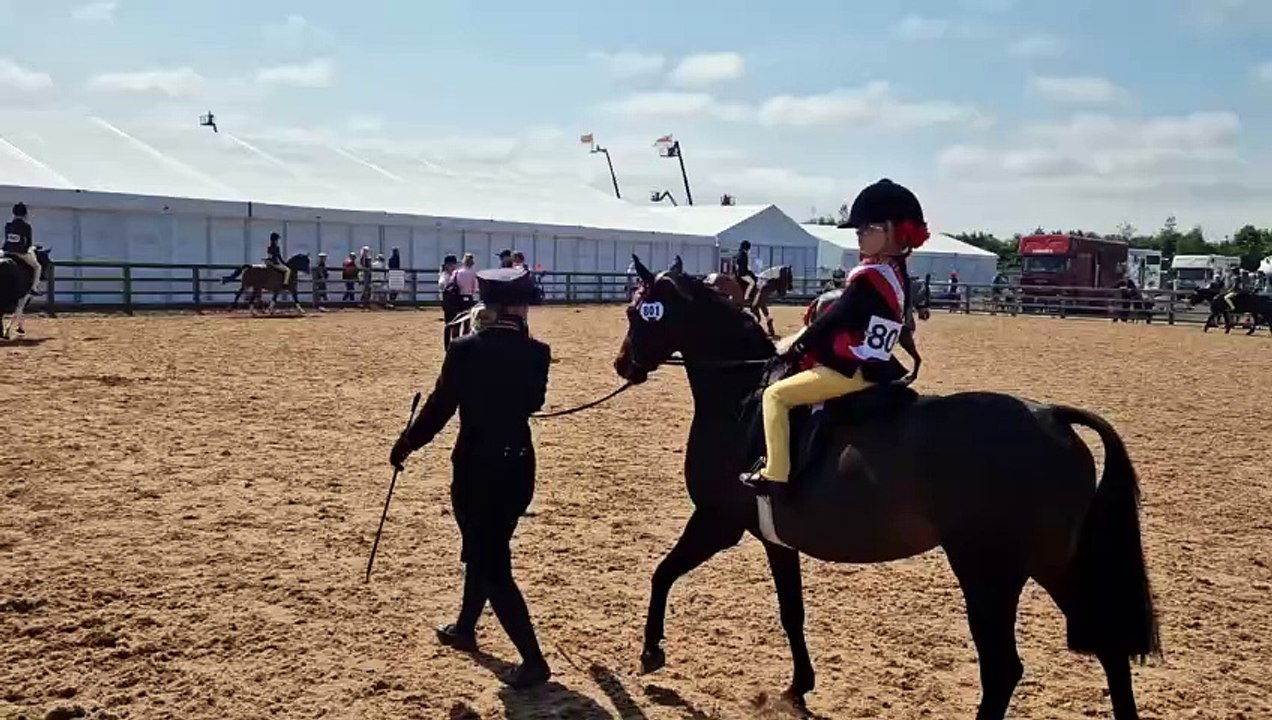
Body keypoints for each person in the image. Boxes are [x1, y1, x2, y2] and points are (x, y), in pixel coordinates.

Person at [389, 267, 552, 689]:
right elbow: (534, 402)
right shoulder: (537, 353)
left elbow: (440, 407)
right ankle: (465, 627)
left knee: (492, 562)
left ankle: (533, 660)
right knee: (484, 550)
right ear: (517, 308)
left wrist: (407, 443)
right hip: (518, 468)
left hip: (477, 471)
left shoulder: (463, 349)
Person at [746, 179, 928, 491]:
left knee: (774, 396)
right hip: (881, 365)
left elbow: (834, 319)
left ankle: (775, 472)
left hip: (852, 369)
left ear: (891, 230)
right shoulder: (899, 275)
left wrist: (797, 344)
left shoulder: (869, 278)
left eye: (866, 229)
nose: (859, 235)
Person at [733, 240, 758, 307]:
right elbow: (744, 267)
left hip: (737, 273)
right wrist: (749, 272)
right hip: (742, 274)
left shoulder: (738, 254)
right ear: (747, 248)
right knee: (752, 283)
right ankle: (746, 298)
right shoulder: (744, 255)